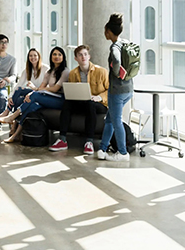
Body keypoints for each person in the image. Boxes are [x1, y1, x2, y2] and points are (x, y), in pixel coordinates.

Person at [49, 45, 109, 155]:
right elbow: (71, 92)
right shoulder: (73, 73)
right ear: (76, 58)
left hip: (99, 104)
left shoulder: (101, 71)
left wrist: (98, 97)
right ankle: (62, 139)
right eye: (80, 55)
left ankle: (89, 142)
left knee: (90, 104)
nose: (83, 57)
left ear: (89, 56)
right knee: (67, 103)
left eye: (85, 54)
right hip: (82, 102)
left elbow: (110, 91)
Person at [0, 47, 69, 136]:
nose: (56, 56)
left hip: (60, 100)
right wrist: (33, 92)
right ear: (51, 57)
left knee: (33, 97)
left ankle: (12, 117)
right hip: (49, 97)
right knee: (30, 102)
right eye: (54, 54)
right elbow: (41, 87)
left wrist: (36, 91)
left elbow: (55, 89)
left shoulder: (65, 71)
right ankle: (16, 133)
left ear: (63, 57)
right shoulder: (49, 72)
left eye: (59, 54)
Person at [97, 13, 134, 162]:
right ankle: (103, 149)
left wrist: (116, 73)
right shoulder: (126, 42)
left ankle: (123, 153)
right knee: (110, 119)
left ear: (108, 31)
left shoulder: (114, 47)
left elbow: (117, 61)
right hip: (128, 89)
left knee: (116, 120)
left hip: (117, 91)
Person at [0, 48, 48, 143]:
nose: (33, 58)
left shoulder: (46, 69)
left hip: (40, 96)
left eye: (35, 55)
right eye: (30, 56)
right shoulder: (27, 70)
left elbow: (46, 88)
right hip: (31, 95)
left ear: (39, 57)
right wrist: (10, 97)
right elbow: (18, 85)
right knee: (19, 96)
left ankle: (14, 130)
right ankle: (8, 113)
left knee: (28, 104)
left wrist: (34, 87)